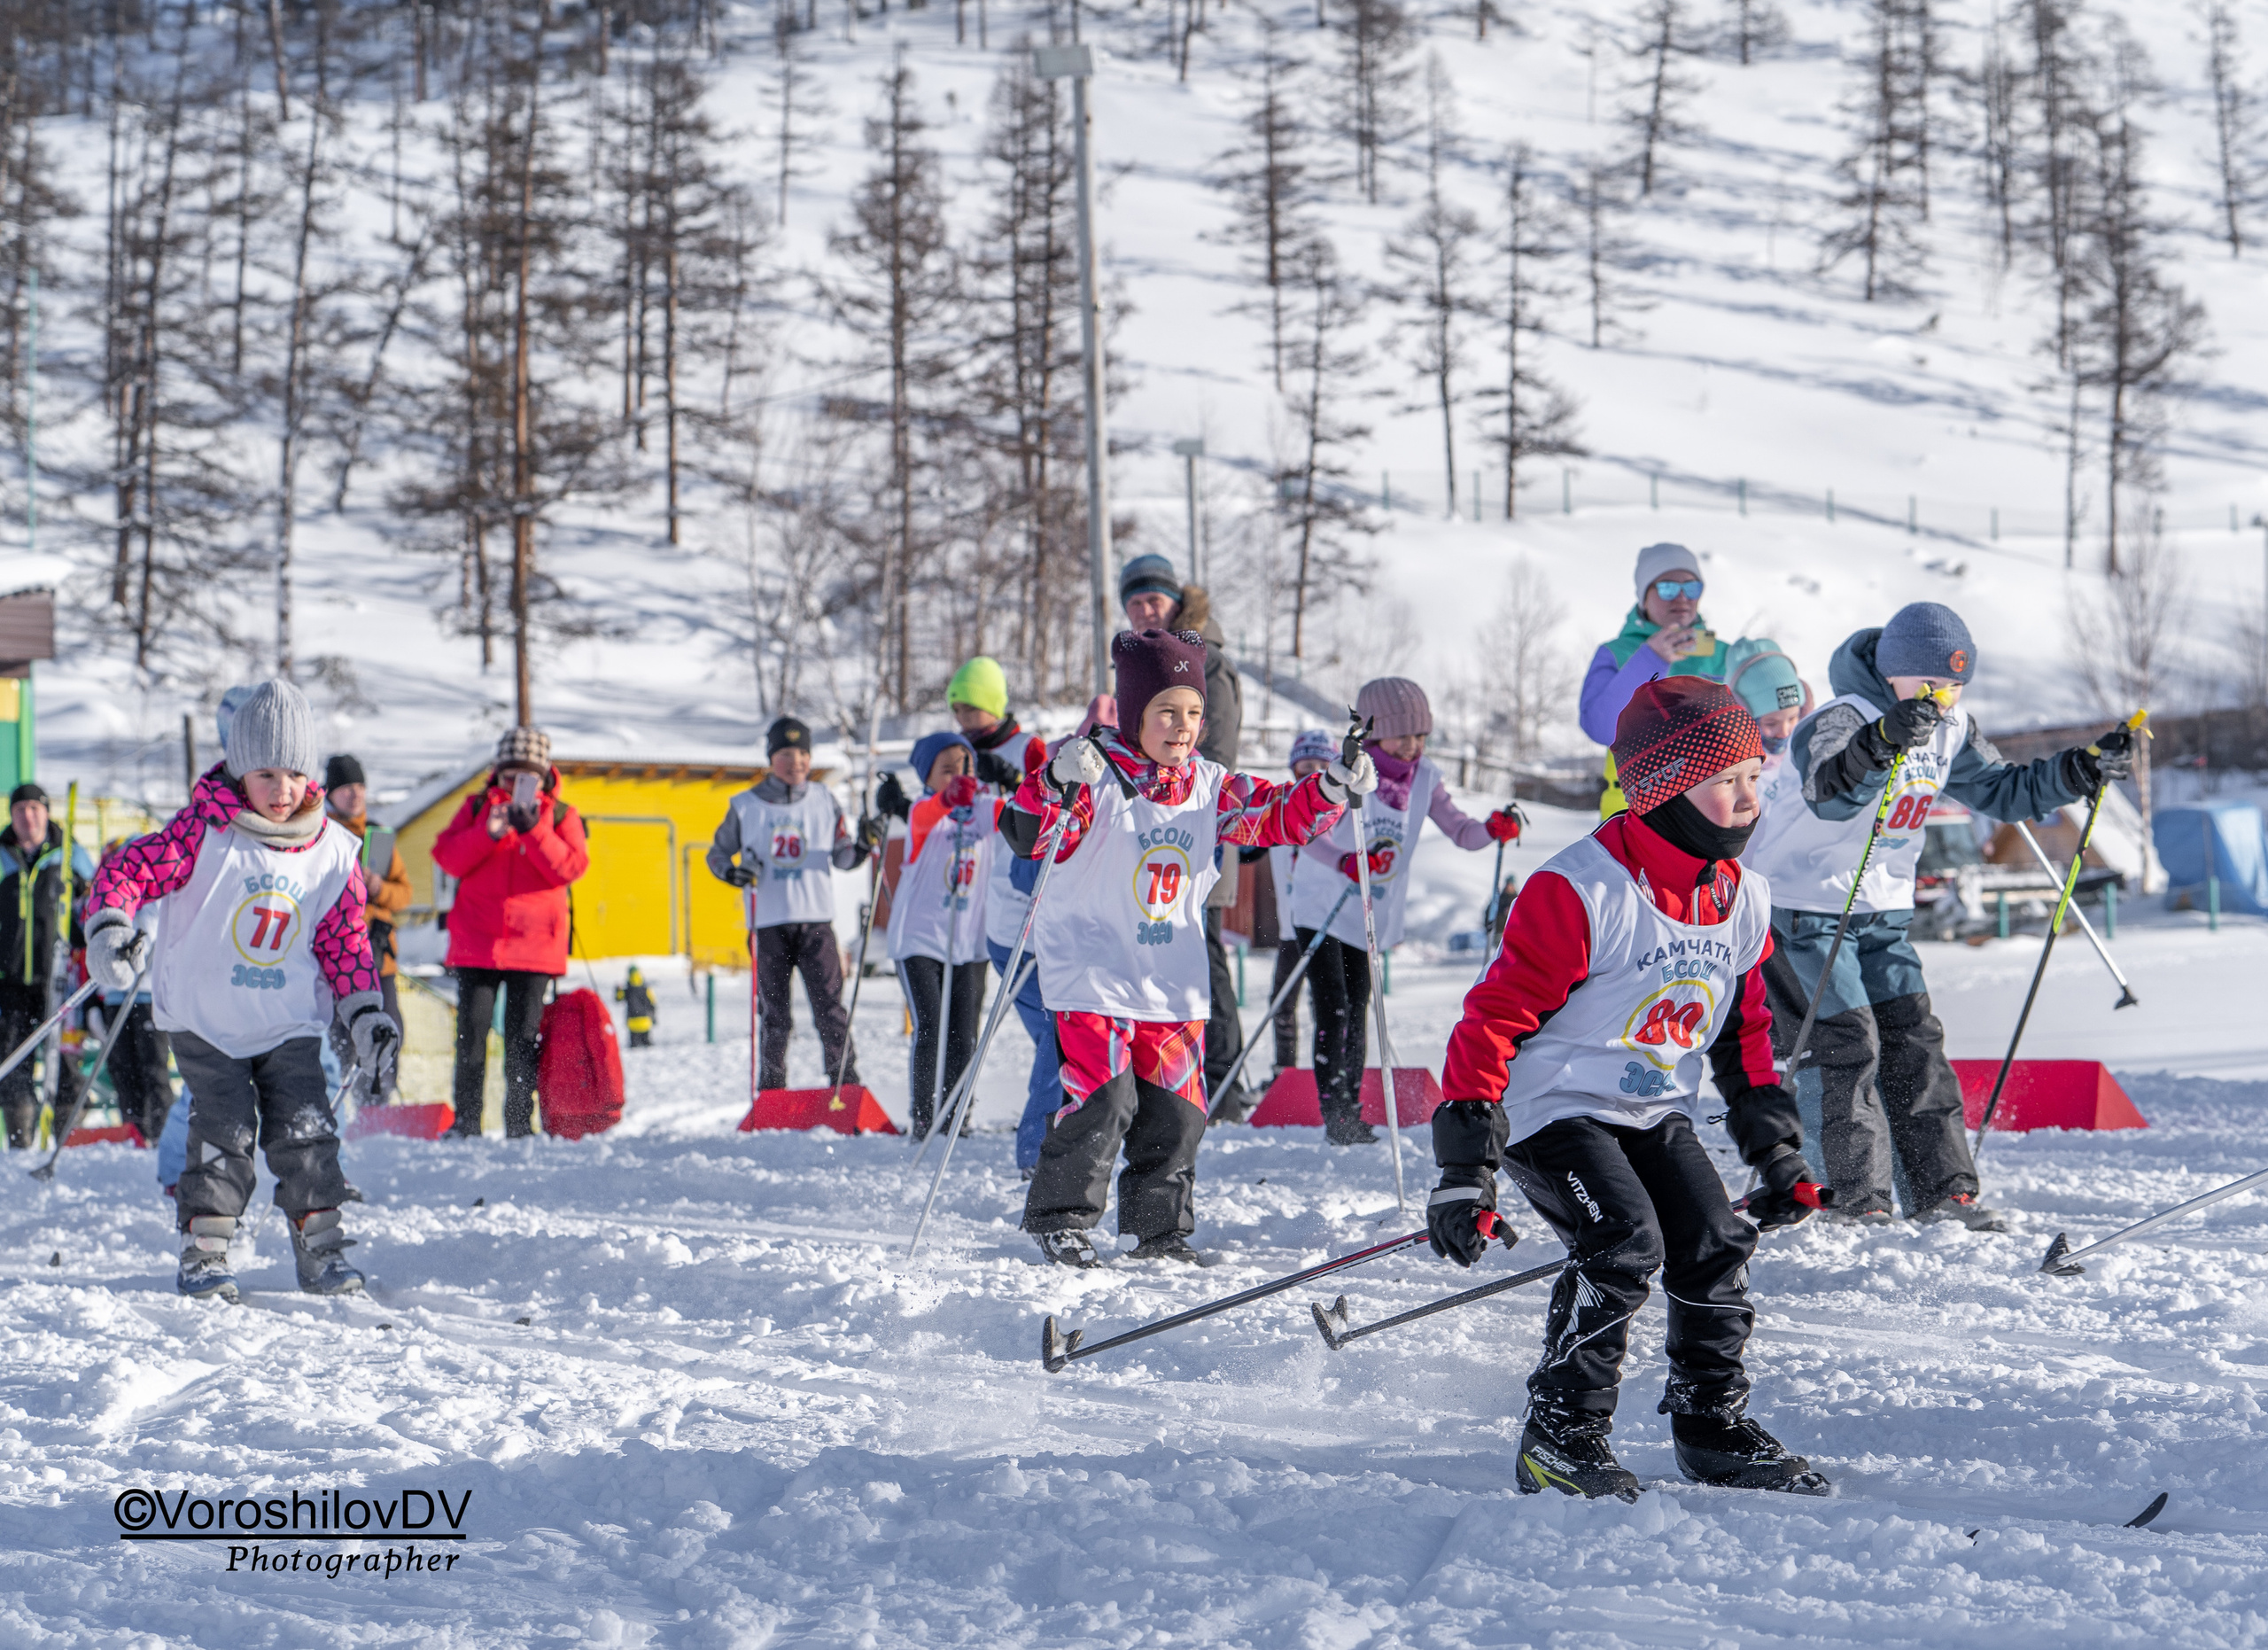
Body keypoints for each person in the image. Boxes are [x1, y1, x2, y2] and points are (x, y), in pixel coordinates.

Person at [1430, 677, 1829, 1499]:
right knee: (1623, 1239)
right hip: (1552, 1107)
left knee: (1714, 1239)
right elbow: (1492, 1023)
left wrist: (1777, 1152)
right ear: (1665, 789)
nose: (1748, 800)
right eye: (1726, 782)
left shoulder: (1741, 898)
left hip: (1651, 1107)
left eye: (1755, 777)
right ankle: (1559, 1436)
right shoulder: (1582, 890)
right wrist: (1466, 1168)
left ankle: (1711, 1423)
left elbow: (1744, 1031)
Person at [1742, 603, 2134, 1230]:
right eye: (1929, 684)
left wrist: (2080, 769)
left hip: (1883, 910)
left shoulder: (1951, 728)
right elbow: (1829, 793)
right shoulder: (1841, 718)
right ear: (1893, 672)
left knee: (1915, 1041)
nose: (1943, 698)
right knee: (1846, 1044)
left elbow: (2003, 790)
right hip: (1805, 909)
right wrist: (1882, 741)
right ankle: (1854, 1199)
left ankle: (1943, 1191)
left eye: (1954, 686)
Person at [1005, 628, 1365, 1267]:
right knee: (1104, 1100)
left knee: (1178, 1113)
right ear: (1134, 712)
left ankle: (1157, 1231)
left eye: (1194, 712)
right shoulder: (1095, 772)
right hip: (1093, 970)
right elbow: (1031, 836)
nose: (1183, 727)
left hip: (1171, 977)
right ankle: (1061, 1219)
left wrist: (1333, 786)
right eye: (1166, 711)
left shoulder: (1208, 784)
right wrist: (1054, 779)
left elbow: (1277, 814)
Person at [84, 679, 393, 1301]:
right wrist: (110, 926)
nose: (281, 791)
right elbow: (130, 868)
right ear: (238, 770)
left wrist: (366, 1013)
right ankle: (206, 1248)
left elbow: (346, 942)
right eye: (265, 775)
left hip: (288, 1020)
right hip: (208, 1020)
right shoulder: (203, 832)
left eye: (294, 774)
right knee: (224, 1130)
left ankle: (321, 1244)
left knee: (306, 1128)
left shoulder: (335, 853)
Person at [1288, 679, 1523, 1144]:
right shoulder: (1351, 769)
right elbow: (1309, 830)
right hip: (1323, 904)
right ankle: (1338, 1114)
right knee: (1334, 1007)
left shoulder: (1425, 776)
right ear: (1375, 733)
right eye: (1402, 736)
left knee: (1359, 1007)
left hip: (1369, 912)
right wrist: (1344, 860)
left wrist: (1492, 829)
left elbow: (1462, 832)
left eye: (1421, 735)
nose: (1413, 745)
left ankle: (1351, 1109)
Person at [1118, 553, 1254, 1119]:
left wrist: (1180, 800)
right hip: (1151, 836)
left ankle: (1223, 1084)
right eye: (1135, 603)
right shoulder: (1144, 665)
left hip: (1198, 829)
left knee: (1202, 954)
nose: (1146, 610)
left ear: (1176, 603)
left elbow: (1213, 750)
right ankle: (1169, 1078)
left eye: (1155, 599)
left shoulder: (1206, 662)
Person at [433, 727, 589, 1140]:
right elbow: (447, 857)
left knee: (523, 1041)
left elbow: (571, 868)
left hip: (535, 947)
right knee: (471, 1037)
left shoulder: (562, 815)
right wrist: (488, 834)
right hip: (476, 942)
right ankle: (466, 1123)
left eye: (526, 776)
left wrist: (534, 830)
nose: (515, 783)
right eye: (508, 775)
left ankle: (520, 1125)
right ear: (497, 773)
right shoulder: (477, 808)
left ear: (543, 775)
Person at [707, 716, 872, 1092]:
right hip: (768, 924)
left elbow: (843, 857)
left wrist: (864, 845)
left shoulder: (824, 800)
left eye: (802, 754)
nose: (795, 762)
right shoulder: (745, 806)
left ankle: (845, 1083)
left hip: (816, 922)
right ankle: (772, 1089)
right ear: (771, 759)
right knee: (774, 1014)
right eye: (785, 754)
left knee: (830, 1009)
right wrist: (733, 873)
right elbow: (717, 854)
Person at [942, 657, 1058, 1175]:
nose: (965, 720)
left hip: (1034, 904)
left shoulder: (1027, 747)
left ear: (993, 703)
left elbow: (1049, 804)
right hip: (1000, 912)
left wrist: (1012, 781)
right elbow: (959, 815)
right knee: (1058, 1038)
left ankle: (1048, 1140)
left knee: (1060, 1037)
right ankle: (1044, 1143)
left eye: (972, 709)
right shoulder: (961, 753)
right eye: (958, 711)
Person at [887, 730, 992, 1139]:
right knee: (932, 1027)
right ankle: (925, 1115)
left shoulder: (983, 809)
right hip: (920, 940)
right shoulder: (922, 811)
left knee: (965, 1033)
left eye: (966, 768)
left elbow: (1018, 817)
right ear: (928, 776)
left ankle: (957, 1114)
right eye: (947, 770)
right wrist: (949, 797)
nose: (960, 776)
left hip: (969, 942)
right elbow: (928, 815)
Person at [1580, 546, 1730, 816]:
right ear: (1644, 597)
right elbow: (1600, 728)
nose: (1682, 598)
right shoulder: (1615, 653)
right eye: (1668, 588)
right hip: (1633, 809)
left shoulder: (1725, 655)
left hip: (1712, 807)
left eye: (1692, 588)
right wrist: (1650, 659)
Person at [0, 782, 94, 1148]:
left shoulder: (70, 854)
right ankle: (20, 1142)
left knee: (66, 1062)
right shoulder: (2, 855)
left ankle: (67, 1139)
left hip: (59, 979)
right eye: (20, 809)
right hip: (10, 981)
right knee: (13, 1061)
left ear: (47, 812)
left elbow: (93, 905)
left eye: (34, 808)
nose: (28, 816)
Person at [322, 754, 412, 1104]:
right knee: (343, 1034)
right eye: (346, 787)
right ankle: (345, 1103)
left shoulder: (378, 836)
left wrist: (379, 888)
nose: (355, 794)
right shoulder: (320, 836)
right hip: (338, 956)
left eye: (360, 786)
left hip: (379, 956)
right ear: (330, 793)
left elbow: (404, 894)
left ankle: (379, 1102)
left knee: (389, 1028)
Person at [1267, 729, 1338, 1089]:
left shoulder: (1337, 814)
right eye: (1305, 767)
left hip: (1328, 927)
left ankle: (1328, 1076)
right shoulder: (1281, 810)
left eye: (1321, 767)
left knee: (1326, 1004)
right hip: (1290, 929)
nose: (1312, 774)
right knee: (1281, 1003)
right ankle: (1285, 1074)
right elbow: (1250, 845)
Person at [88, 840, 172, 1144]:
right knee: (123, 1069)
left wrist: (136, 947)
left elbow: (152, 930)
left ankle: (161, 1136)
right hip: (115, 996)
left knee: (153, 1069)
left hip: (147, 994)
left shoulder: (154, 894)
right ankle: (134, 1132)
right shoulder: (107, 896)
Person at [1723, 639, 1811, 776]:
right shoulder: (1726, 770)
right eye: (1771, 723)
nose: (1784, 732)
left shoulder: (1808, 750)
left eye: (1793, 718)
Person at [617, 966, 656, 1048]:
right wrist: (654, 1018)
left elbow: (619, 999)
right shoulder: (646, 989)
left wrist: (618, 990)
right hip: (645, 1020)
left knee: (634, 1049)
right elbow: (653, 1003)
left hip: (632, 1022)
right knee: (648, 1047)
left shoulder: (627, 990)